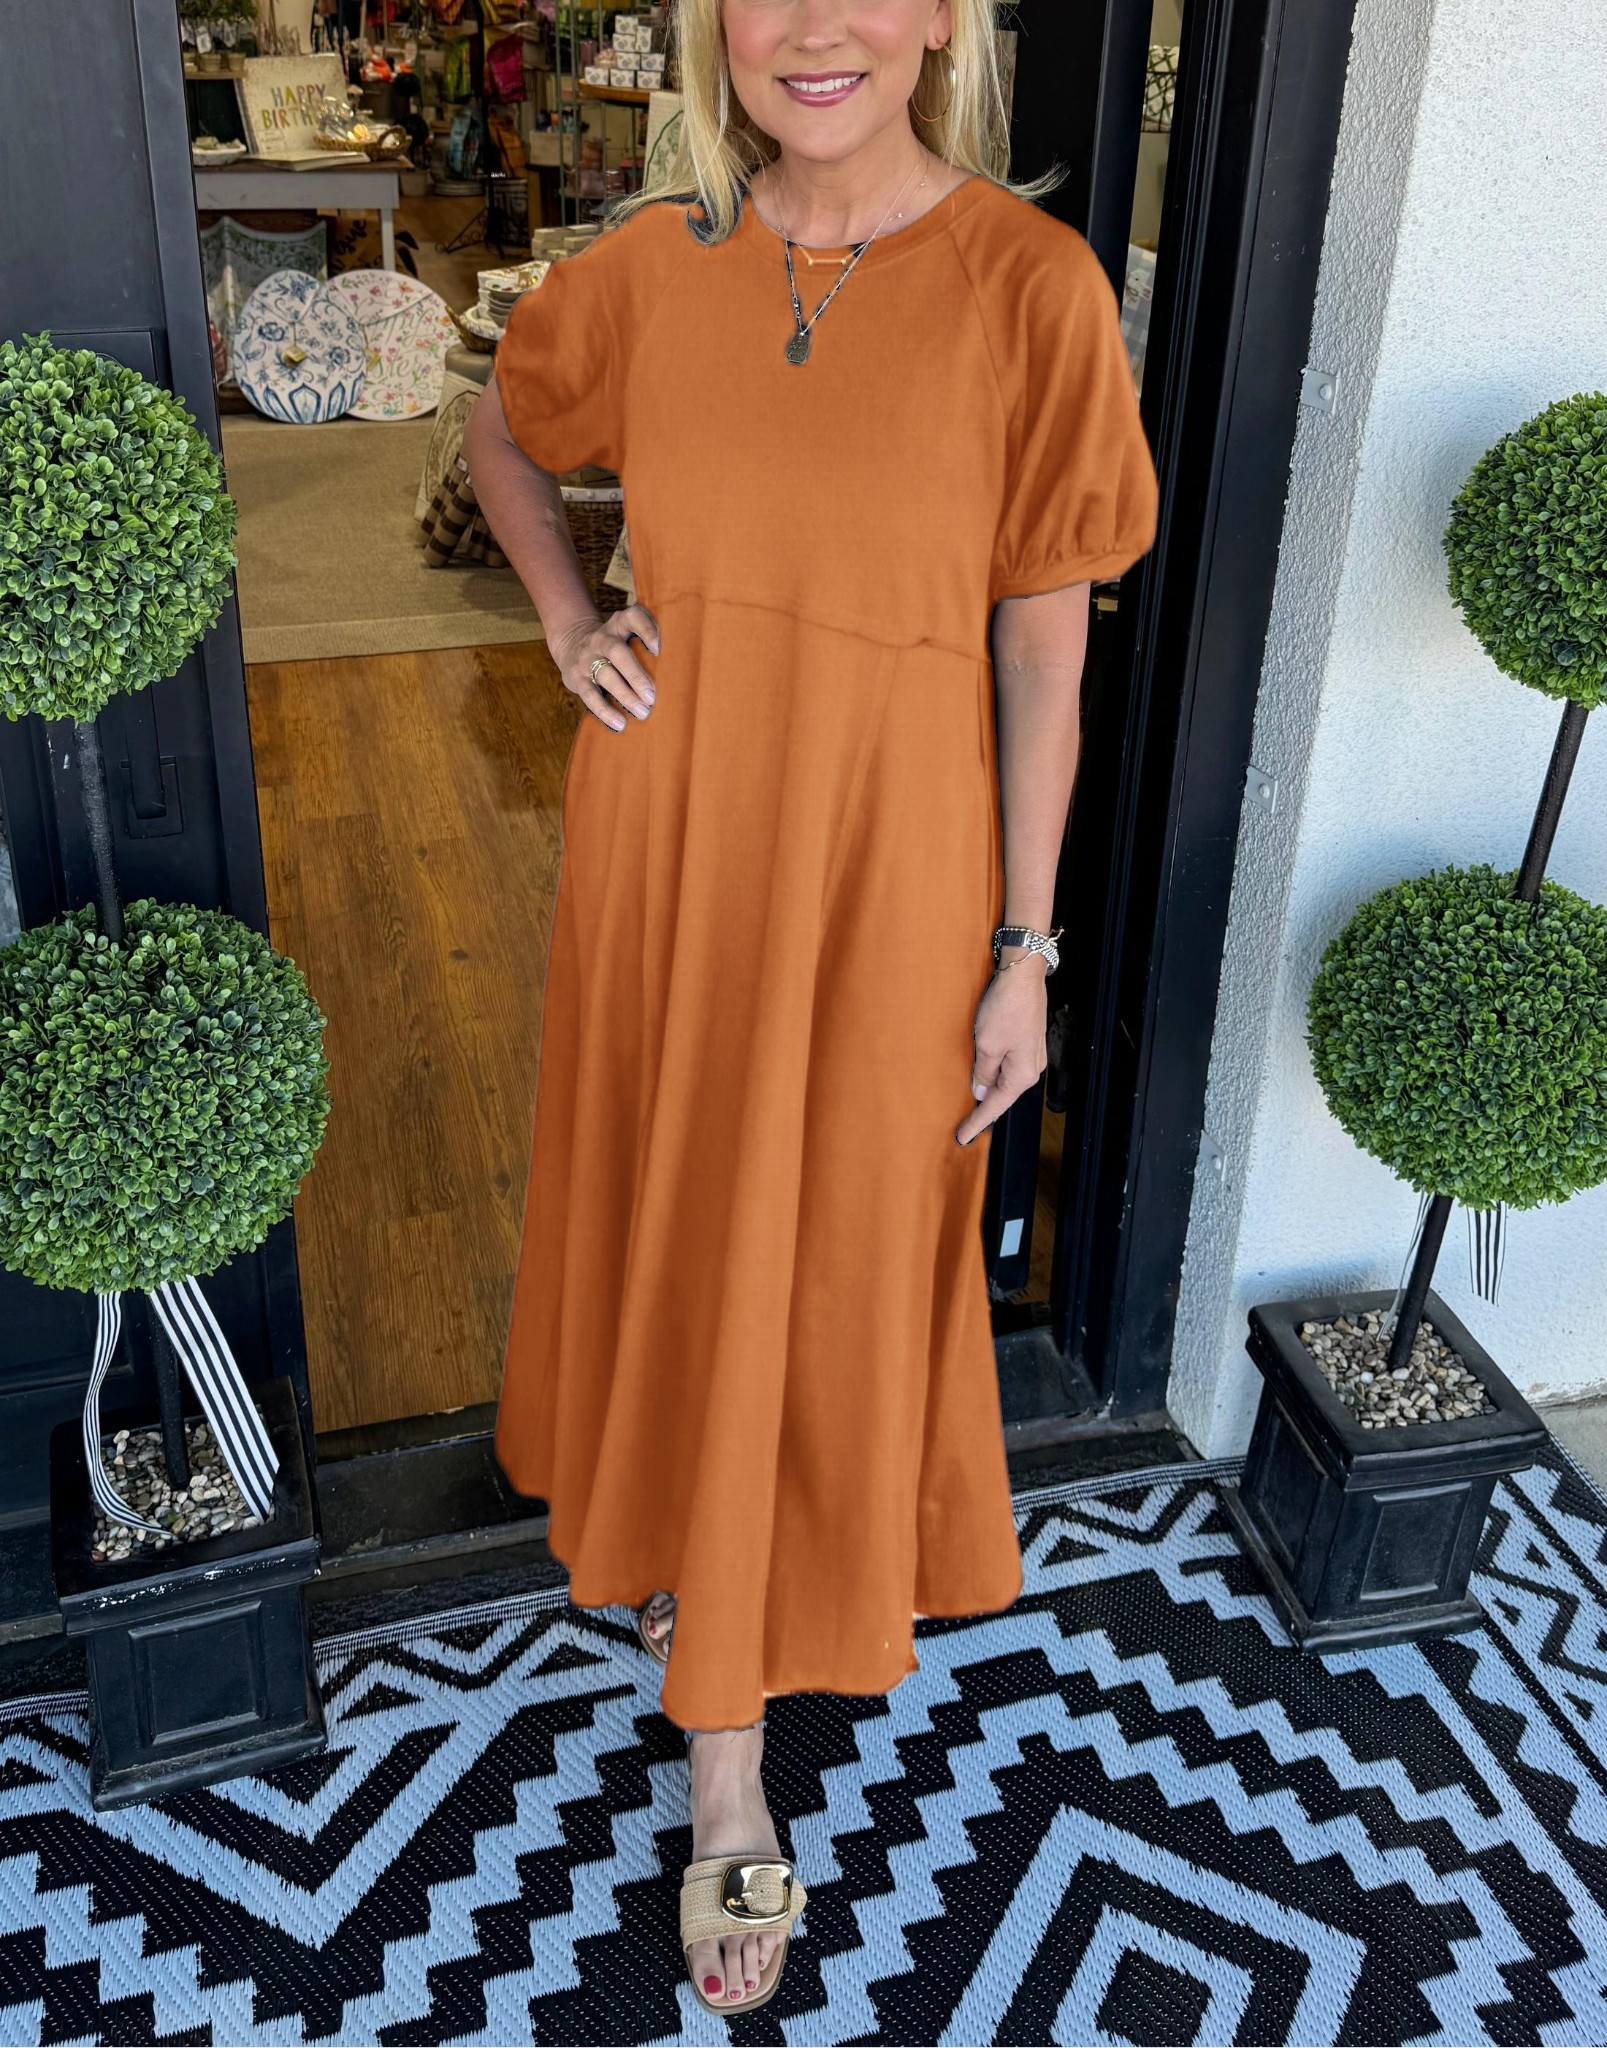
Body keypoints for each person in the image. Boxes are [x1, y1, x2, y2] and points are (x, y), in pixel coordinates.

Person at [462, 0, 1158, 2016]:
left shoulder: (1030, 285)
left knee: (836, 1261)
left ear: (940, 20)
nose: (816, 29)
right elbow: (503, 429)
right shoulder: (647, 265)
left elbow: (1044, 648)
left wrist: (1023, 946)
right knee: (690, 1240)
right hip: (673, 852)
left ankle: (747, 1653)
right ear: (713, 31)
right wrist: (568, 620)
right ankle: (725, 1761)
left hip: (895, 878)